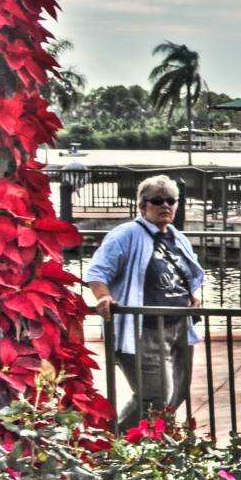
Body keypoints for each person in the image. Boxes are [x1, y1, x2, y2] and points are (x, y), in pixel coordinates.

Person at [84, 176, 206, 429]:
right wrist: (103, 296)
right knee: (154, 396)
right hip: (143, 330)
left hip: (179, 326)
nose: (165, 206)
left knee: (178, 394)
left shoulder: (175, 236)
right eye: (157, 201)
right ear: (142, 206)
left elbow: (186, 273)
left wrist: (191, 294)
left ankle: (153, 443)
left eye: (171, 201)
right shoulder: (126, 235)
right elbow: (97, 272)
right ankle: (114, 441)